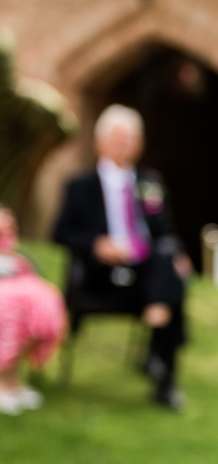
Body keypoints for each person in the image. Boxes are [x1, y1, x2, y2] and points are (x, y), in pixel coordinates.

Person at [54, 104, 191, 409]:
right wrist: (97, 243)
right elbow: (60, 232)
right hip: (100, 275)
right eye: (117, 137)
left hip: (145, 272)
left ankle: (160, 357)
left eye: (130, 138)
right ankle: (159, 360)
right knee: (170, 286)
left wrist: (178, 254)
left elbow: (163, 231)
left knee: (166, 261)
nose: (123, 144)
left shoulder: (149, 183)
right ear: (99, 142)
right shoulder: (80, 186)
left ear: (139, 144)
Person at [0, 205, 67, 415]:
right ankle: (3, 380)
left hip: (17, 283)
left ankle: (13, 378)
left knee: (46, 303)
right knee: (12, 308)